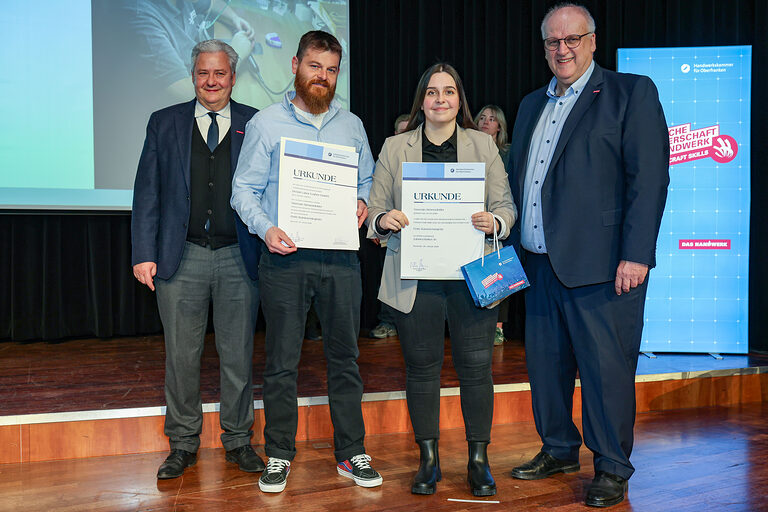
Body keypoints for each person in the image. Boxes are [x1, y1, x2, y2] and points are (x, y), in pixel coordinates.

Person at [506, 3, 669, 508]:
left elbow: (651, 179)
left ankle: (612, 467)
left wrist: (637, 254)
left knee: (605, 372)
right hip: (537, 263)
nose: (563, 49)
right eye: (553, 42)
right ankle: (557, 447)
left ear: (593, 41)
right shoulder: (532, 103)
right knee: (546, 369)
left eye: (572, 39)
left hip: (605, 268)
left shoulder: (629, 92)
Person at [230, 30, 381, 494]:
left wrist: (362, 203)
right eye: (315, 66)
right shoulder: (266, 123)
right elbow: (243, 190)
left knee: (346, 359)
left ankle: (350, 453)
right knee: (281, 362)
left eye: (331, 69)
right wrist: (266, 229)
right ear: (296, 64)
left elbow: (370, 179)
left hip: (340, 260)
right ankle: (278, 454)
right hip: (285, 260)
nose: (322, 76)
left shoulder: (351, 126)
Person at [367, 63, 517, 497]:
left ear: (459, 100)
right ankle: (428, 460)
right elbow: (374, 213)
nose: (440, 99)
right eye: (432, 92)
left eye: (448, 92)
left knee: (477, 370)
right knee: (421, 370)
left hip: (473, 278)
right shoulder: (395, 148)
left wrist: (495, 222)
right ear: (422, 101)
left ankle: (478, 460)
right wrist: (384, 219)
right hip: (416, 279)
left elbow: (506, 206)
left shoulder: (483, 145)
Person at [131, 39, 264, 479]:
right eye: (203, 73)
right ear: (193, 76)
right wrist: (143, 253)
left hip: (239, 257)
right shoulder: (163, 123)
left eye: (220, 73)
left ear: (233, 76)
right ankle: (183, 443)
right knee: (181, 357)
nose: (211, 81)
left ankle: (238, 440)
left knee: (238, 355)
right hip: (179, 257)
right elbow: (147, 192)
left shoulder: (256, 123)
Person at [368, 114, 410, 340]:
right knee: (389, 279)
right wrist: (378, 226)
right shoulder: (387, 156)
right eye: (401, 132)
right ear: (394, 134)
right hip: (390, 231)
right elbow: (376, 195)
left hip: (418, 232)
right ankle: (388, 322)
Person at [474, 105, 512, 345]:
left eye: (492, 119)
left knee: (500, 271)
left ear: (500, 126)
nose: (486, 122)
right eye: (482, 118)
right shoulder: (467, 149)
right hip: (472, 222)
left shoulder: (508, 153)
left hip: (498, 221)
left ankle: (498, 326)